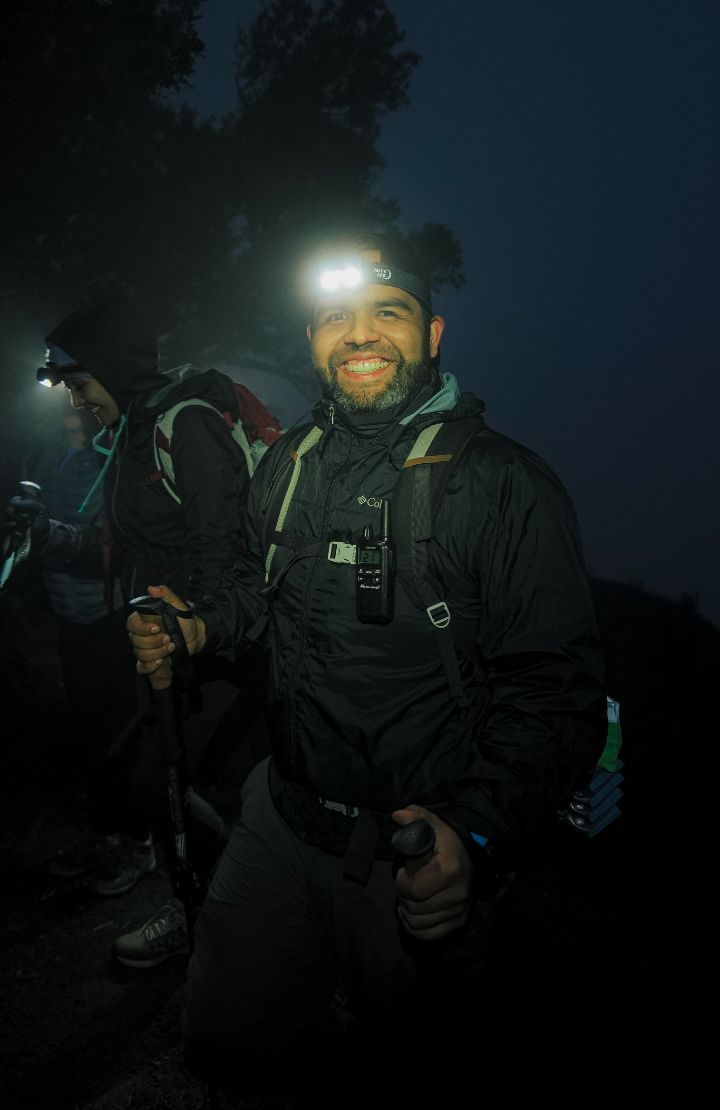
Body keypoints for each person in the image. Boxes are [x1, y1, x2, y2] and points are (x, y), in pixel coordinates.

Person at [127, 234, 608, 1104]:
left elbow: (558, 695)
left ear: (433, 336)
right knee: (227, 1039)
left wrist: (473, 832)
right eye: (335, 317)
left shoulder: (499, 483)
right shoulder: (291, 459)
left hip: (414, 855)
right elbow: (259, 590)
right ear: (312, 340)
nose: (360, 334)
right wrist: (200, 625)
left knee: (415, 1068)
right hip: (281, 817)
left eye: (389, 312)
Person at [25, 302, 271, 969]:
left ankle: (228, 911)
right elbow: (130, 553)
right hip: (171, 642)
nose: (75, 399)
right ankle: (216, 903)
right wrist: (45, 537)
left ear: (113, 366)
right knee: (157, 788)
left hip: (221, 647)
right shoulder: (132, 433)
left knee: (162, 789)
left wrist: (194, 629)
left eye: (81, 383)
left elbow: (224, 556)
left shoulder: (185, 424)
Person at [3, 406, 154, 893]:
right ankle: (106, 835)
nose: (68, 398)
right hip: (69, 619)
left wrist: (47, 534)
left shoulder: (114, 459)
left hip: (112, 617)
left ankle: (141, 842)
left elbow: (115, 549)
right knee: (91, 732)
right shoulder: (44, 456)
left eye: (76, 386)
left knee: (122, 733)